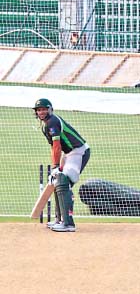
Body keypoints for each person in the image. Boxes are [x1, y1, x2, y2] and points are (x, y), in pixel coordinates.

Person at [34, 98, 91, 232]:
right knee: (57, 181)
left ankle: (68, 224)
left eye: (44, 109)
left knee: (63, 182)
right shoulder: (45, 125)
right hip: (69, 154)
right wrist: (56, 168)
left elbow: (57, 146)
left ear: (50, 109)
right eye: (39, 110)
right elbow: (54, 148)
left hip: (79, 151)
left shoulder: (52, 121)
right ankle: (59, 220)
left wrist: (54, 166)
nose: (41, 112)